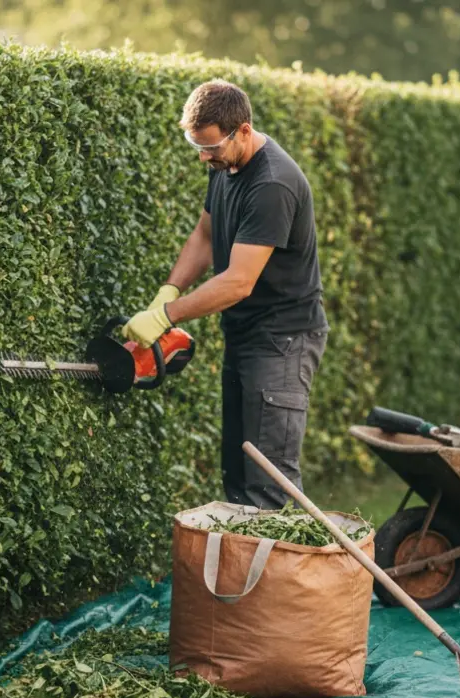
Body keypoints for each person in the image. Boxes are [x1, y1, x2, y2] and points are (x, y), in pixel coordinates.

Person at [121, 79, 328, 509]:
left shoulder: (273, 184)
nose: (203, 156)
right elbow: (204, 234)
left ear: (244, 130)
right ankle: (243, 576)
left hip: (284, 342)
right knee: (238, 472)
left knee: (269, 482)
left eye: (211, 148)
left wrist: (167, 317)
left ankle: (291, 576)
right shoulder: (226, 168)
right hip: (247, 337)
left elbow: (238, 281)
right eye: (197, 145)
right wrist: (168, 291)